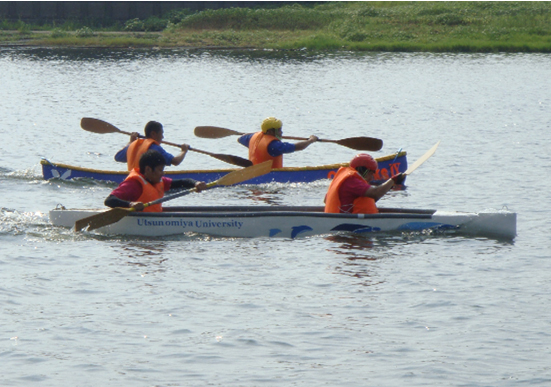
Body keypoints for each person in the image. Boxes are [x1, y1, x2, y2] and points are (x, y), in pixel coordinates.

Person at [105, 150, 207, 212]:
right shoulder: (134, 185)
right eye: (160, 170)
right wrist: (130, 204)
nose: (163, 173)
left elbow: (183, 182)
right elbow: (109, 200)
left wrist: (196, 184)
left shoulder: (159, 181)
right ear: (148, 169)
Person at [324, 153, 405, 214]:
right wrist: (393, 180)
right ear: (365, 170)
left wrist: (389, 186)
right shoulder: (352, 180)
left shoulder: (344, 176)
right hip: (346, 225)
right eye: (372, 172)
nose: (372, 177)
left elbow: (371, 198)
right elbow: (375, 193)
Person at [237, 117, 319, 168]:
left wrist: (259, 133)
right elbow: (297, 147)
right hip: (270, 175)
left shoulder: (251, 137)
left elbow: (240, 138)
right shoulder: (274, 145)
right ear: (270, 131)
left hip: (253, 172)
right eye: (279, 130)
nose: (281, 132)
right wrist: (310, 140)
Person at [115, 121, 189, 171]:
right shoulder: (155, 148)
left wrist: (130, 142)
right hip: (145, 183)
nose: (162, 137)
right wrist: (184, 151)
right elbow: (176, 161)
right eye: (161, 133)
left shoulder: (133, 145)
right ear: (153, 134)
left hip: (131, 180)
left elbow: (117, 157)